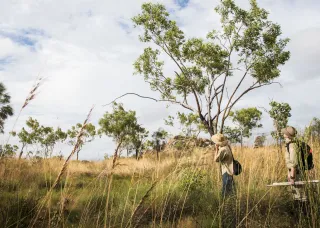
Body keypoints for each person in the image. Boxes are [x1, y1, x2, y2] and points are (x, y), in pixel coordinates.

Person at [281, 126, 307, 202]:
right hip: (294, 172)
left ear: (288, 135)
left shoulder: (292, 145)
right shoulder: (289, 144)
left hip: (296, 173)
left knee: (300, 196)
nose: (283, 133)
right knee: (296, 194)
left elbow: (294, 163)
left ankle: (304, 212)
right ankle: (299, 210)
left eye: (285, 132)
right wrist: (289, 173)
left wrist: (292, 176)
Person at [212, 133, 235, 197]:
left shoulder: (223, 150)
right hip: (230, 170)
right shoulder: (227, 147)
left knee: (225, 191)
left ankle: (224, 204)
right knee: (231, 189)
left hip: (226, 171)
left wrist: (216, 149)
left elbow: (215, 159)